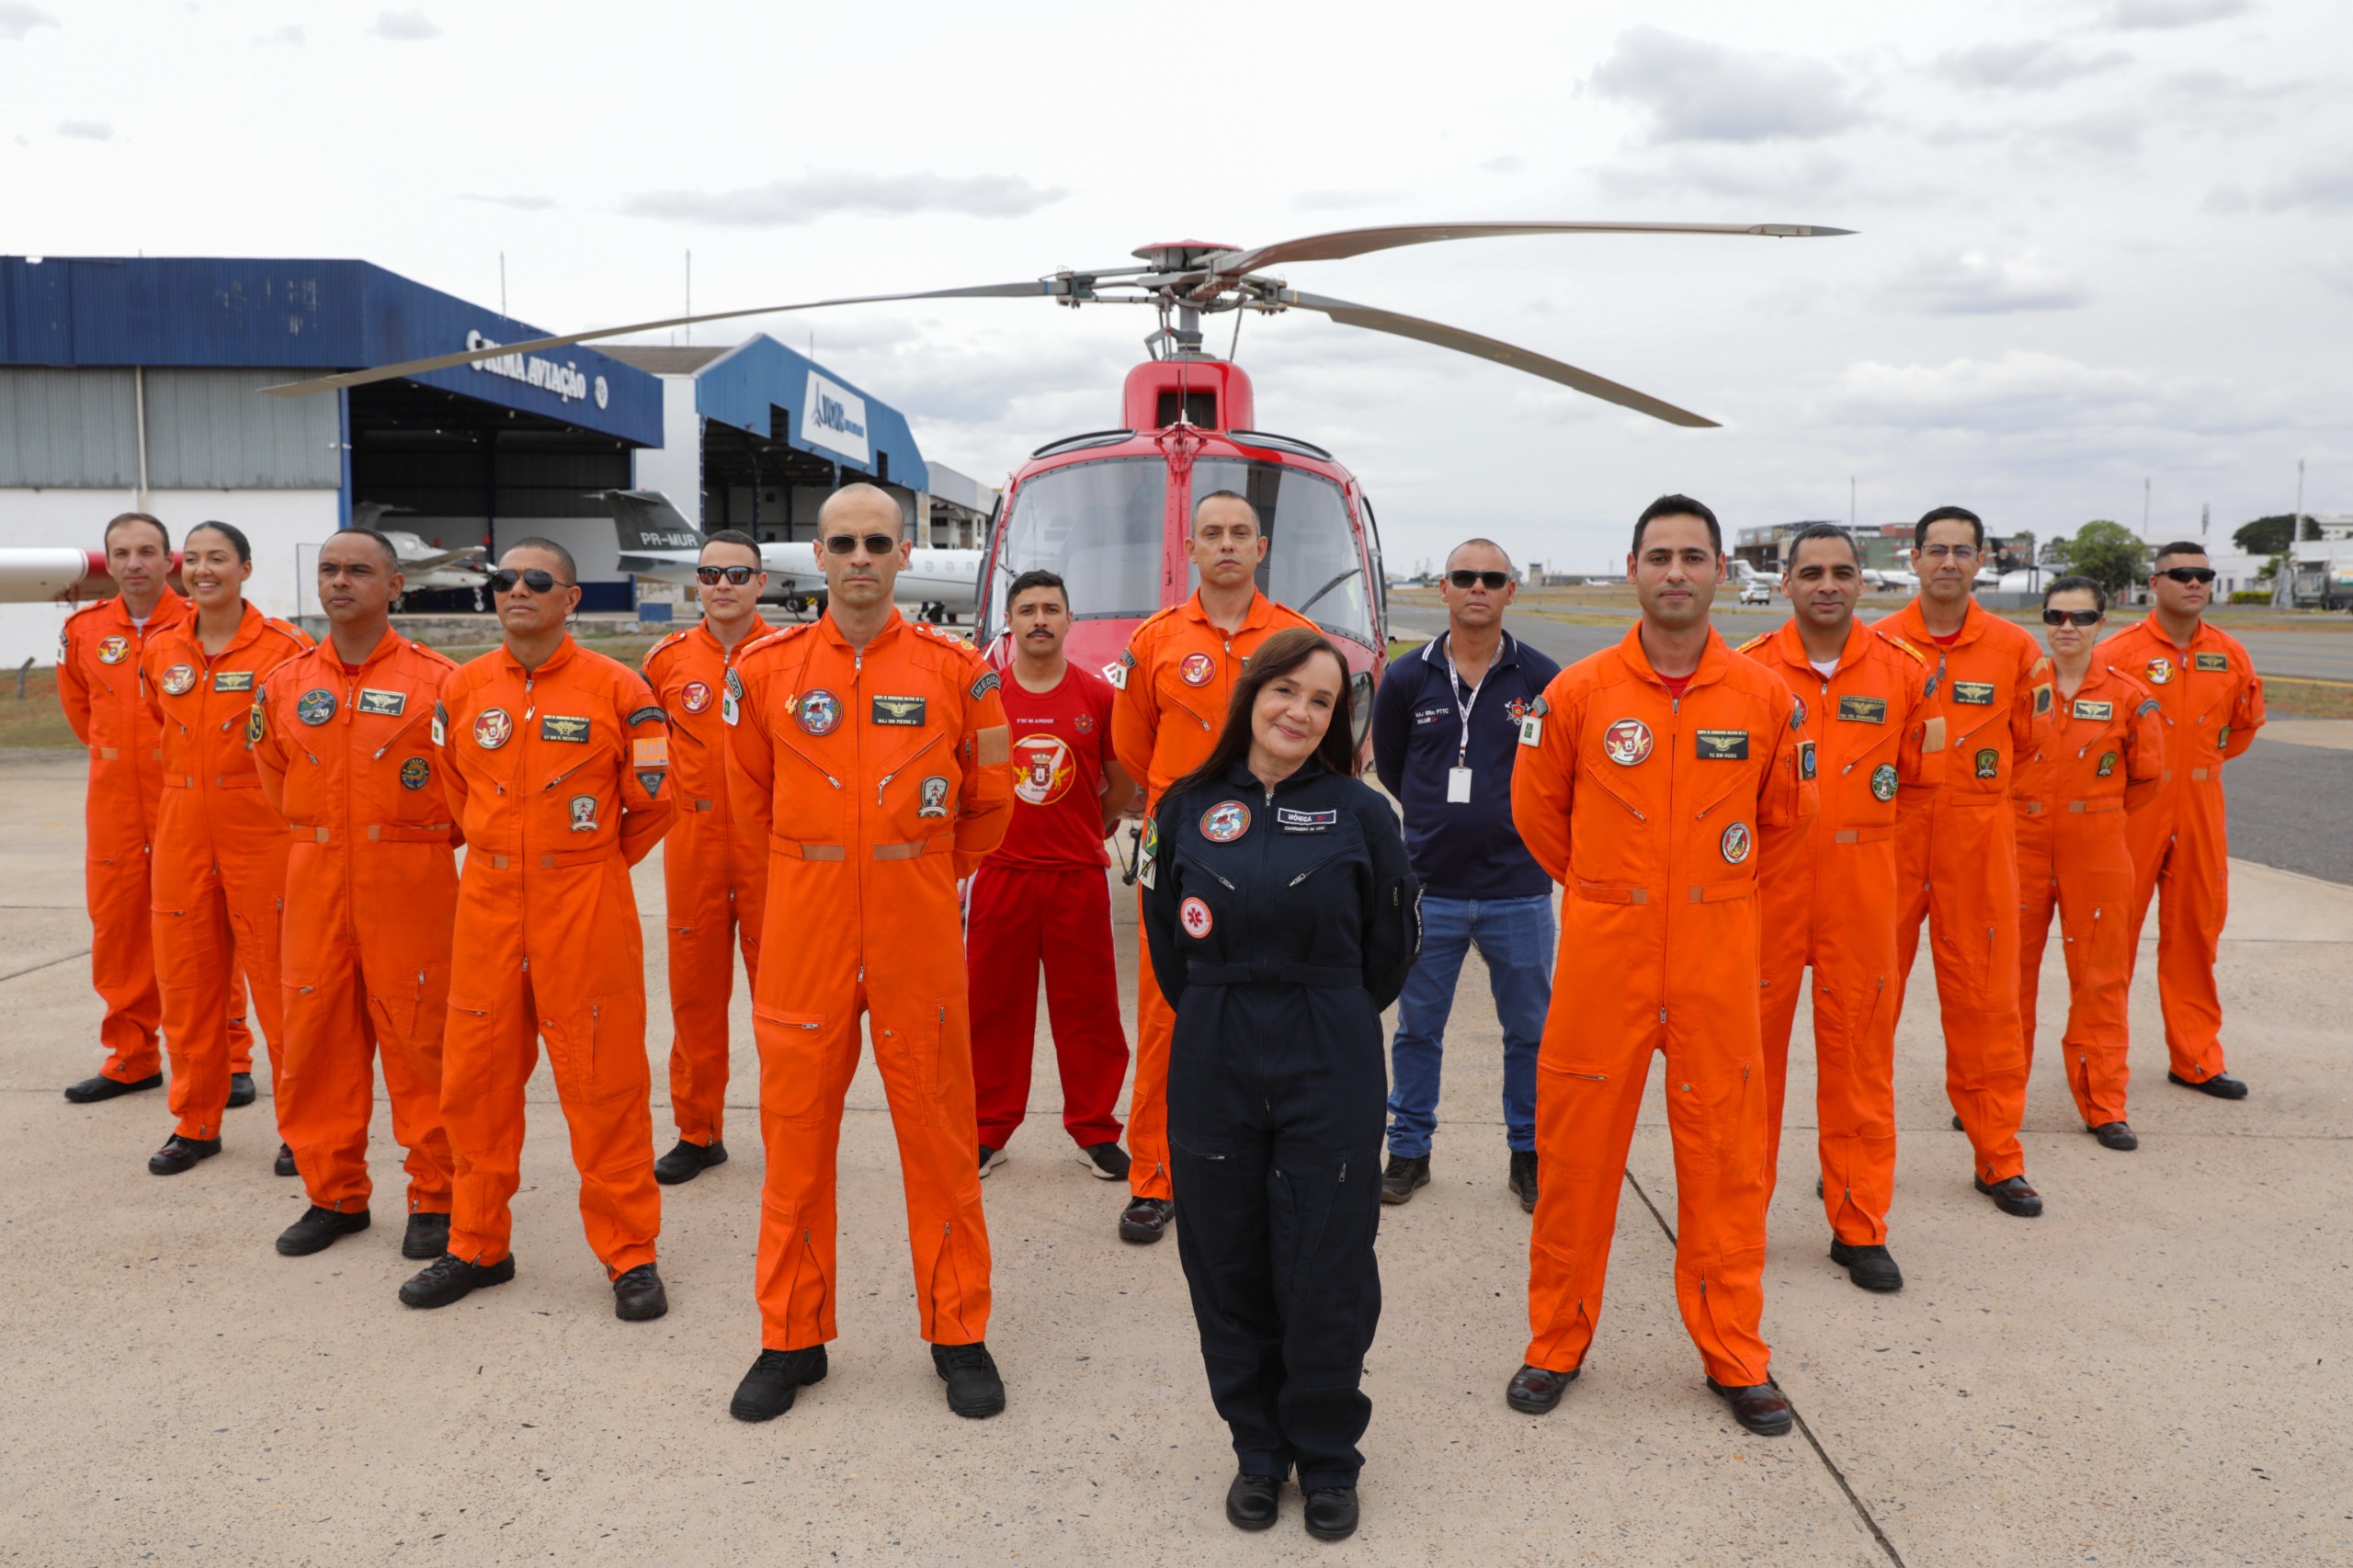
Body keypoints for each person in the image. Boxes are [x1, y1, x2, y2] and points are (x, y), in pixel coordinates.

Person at [1506, 494, 1814, 1437]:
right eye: (1659, 555)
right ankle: (1554, 1340)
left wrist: (1701, 901)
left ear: (1721, 571)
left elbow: (1782, 824)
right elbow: (1536, 814)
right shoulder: (1576, 693)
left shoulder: (1767, 698)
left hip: (1719, 954)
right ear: (1632, 568)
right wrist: (1610, 889)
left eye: (1693, 556)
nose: (1675, 571)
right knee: (1575, 1156)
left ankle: (1734, 1352)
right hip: (1607, 950)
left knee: (1724, 1157)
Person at [725, 484, 1015, 1423]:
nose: (859, 557)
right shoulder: (766, 669)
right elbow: (747, 801)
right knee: (795, 1139)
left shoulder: (957, 668)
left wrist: (924, 875)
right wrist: (813, 879)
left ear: (902, 555)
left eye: (876, 543)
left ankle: (958, 1331)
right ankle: (790, 1336)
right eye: (843, 541)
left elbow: (992, 799)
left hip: (913, 926)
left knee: (938, 1137)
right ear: (818, 554)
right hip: (805, 928)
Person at [1141, 627, 1418, 1542]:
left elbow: (1389, 951)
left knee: (1327, 1265)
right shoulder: (1183, 808)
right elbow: (1169, 950)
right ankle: (1258, 1450)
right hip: (1214, 1048)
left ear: (1338, 719)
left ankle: (1328, 1457)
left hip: (1327, 1051)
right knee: (1225, 1263)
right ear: (1252, 692)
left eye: (1322, 700)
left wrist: (1320, 1007)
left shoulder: (1362, 812)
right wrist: (1230, 1006)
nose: (1298, 711)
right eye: (1285, 690)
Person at [401, 539, 676, 1321]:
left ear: (571, 598)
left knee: (603, 1080)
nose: (515, 591)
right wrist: (506, 857)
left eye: (535, 581)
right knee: (475, 1079)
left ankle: (630, 1254)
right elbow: (454, 789)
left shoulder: (621, 691)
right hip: (486, 901)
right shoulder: (462, 687)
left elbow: (654, 799)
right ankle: (476, 1245)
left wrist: (581, 865)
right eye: (503, 580)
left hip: (584, 899)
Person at [1108, 490, 1316, 1244]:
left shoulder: (1297, 637)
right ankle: (1154, 1178)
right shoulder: (1156, 639)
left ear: (1261, 549)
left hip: (1277, 845)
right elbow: (1132, 747)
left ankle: (1274, 1169)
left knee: (1280, 1003)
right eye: (1211, 534)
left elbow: (1319, 735)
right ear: (1190, 550)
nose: (1226, 544)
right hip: (1182, 847)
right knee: (1168, 1010)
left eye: (1240, 534)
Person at [1740, 524, 1942, 1292]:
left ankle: (1859, 1225)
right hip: (1769, 895)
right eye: (1811, 571)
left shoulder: (1905, 673)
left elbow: (1924, 780)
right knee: (1748, 1067)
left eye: (1843, 572)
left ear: (1865, 583)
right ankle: (1738, 1217)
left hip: (1863, 899)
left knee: (1861, 1061)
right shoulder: (1749, 672)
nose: (1828, 584)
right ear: (1786, 583)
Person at [251, 528, 461, 1257]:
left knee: (420, 1040)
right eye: (330, 570)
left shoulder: (439, 681)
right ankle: (333, 1193)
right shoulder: (283, 683)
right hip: (313, 879)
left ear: (395, 586)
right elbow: (276, 781)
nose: (341, 582)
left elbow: (465, 793)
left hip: (409, 881)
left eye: (360, 571)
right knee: (316, 1040)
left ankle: (436, 1195)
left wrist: (403, 840)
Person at [1871, 506, 2054, 1220]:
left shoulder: (2014, 649)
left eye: (1963, 551)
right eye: (1936, 550)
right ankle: (1853, 1155)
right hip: (1890, 841)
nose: (1948, 562)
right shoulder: (1875, 643)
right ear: (1913, 560)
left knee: (1987, 1006)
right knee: (1866, 1006)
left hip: (1977, 846)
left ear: (1982, 562)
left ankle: (1998, 1158)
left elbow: (2030, 741)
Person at [1368, 538, 1560, 1211]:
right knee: (1418, 1029)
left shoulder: (1540, 677)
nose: (1477, 587)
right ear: (1443, 589)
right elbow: (1392, 768)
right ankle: (1409, 1152)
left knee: (1530, 1033)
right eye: (1463, 576)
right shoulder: (1406, 679)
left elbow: (1559, 775)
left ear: (1511, 592)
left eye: (1492, 578)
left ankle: (1529, 1153)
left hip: (1519, 890)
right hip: (1431, 891)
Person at [57, 513, 258, 1107]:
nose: (135, 563)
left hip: (187, 796)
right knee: (117, 926)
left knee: (209, 928)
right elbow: (78, 712)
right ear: (110, 561)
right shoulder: (84, 630)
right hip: (114, 799)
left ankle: (232, 1055)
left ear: (170, 560)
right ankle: (131, 1054)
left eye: (147, 551)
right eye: (122, 553)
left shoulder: (199, 626)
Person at [140, 521, 312, 1176]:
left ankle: (304, 1126)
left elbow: (299, 748)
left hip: (260, 830)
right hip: (182, 828)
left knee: (282, 987)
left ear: (245, 568)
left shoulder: (284, 650)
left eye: (219, 559)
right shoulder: (162, 649)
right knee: (186, 983)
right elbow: (164, 727)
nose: (203, 570)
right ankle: (196, 1121)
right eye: (195, 560)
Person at [966, 569, 1136, 1179]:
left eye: (1051, 609)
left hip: (1076, 876)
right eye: (1027, 609)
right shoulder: (986, 696)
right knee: (991, 1010)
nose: (1039, 619)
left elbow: (1121, 786)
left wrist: (1094, 822)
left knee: (1089, 1011)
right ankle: (989, 1130)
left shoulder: (1097, 697)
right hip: (1003, 875)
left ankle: (1095, 1130)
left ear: (1069, 621)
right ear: (1008, 622)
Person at [2101, 542, 2266, 1100]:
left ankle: (2196, 1057)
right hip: (2134, 808)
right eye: (2181, 575)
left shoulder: (2231, 653)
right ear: (2155, 583)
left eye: (2204, 575)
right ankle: (2102, 1064)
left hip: (2201, 805)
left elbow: (2242, 728)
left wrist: (2196, 765)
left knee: (2196, 933)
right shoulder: (2117, 653)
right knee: (2110, 938)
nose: (2194, 584)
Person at [640, 528, 773, 1185]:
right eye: (710, 574)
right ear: (697, 583)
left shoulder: (789, 657)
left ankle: (792, 1127)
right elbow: (641, 751)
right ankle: (698, 1131)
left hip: (771, 850)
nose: (722, 585)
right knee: (694, 994)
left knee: (781, 999)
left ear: (761, 583)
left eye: (736, 574)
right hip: (691, 847)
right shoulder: (665, 660)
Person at [2016, 576, 2166, 1151]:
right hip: (2020, 843)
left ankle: (2104, 1103)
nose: (2067, 628)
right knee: (2004, 980)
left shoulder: (2130, 696)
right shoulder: (2019, 691)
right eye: (2056, 616)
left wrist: (2090, 815)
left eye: (2081, 618)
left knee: (2101, 978)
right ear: (2044, 621)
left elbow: (2146, 779)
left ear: (2102, 622)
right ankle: (1995, 1096)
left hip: (2098, 848)